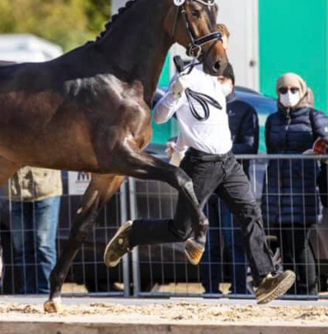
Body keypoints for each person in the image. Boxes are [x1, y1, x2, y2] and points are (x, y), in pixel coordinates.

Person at [104, 24, 295, 304]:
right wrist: (175, 94)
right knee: (181, 230)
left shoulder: (216, 77)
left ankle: (265, 278)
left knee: (251, 213)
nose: (224, 51)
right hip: (201, 164)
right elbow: (159, 117)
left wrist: (180, 146)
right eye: (220, 45)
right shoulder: (186, 77)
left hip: (227, 161)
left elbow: (198, 124)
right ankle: (134, 233)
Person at [262, 73, 328, 295]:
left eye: (293, 90)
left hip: (303, 187)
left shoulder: (314, 116)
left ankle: (308, 292)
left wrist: (317, 150)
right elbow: (272, 151)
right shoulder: (273, 120)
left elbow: (326, 141)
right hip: (277, 189)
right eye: (283, 90)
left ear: (302, 90)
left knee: (300, 244)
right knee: (285, 246)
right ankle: (290, 293)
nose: (288, 94)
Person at [201, 62, 258, 295]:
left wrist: (219, 149)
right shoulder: (205, 108)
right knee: (208, 240)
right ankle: (210, 288)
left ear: (231, 81)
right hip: (207, 184)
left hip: (231, 183)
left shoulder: (244, 109)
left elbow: (249, 146)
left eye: (221, 79)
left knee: (233, 238)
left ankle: (239, 287)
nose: (217, 83)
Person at [8, 166, 62, 294]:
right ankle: (28, 292)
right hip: (16, 192)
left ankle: (47, 293)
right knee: (22, 248)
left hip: (45, 189)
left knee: (43, 246)